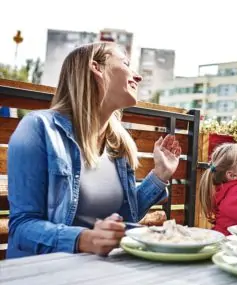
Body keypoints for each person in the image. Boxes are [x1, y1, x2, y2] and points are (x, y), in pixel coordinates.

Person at [7, 42, 182, 259]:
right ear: (96, 68)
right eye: (126, 63)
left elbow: (126, 217)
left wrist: (160, 175)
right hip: (49, 273)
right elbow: (22, 226)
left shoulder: (118, 143)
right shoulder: (39, 128)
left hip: (105, 269)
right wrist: (83, 240)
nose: (138, 76)